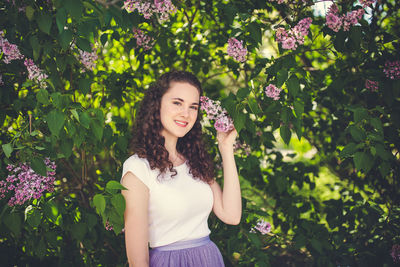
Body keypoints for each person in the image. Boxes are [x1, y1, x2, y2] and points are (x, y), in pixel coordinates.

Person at [120, 70, 241, 267]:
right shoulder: (137, 168)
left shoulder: (195, 161)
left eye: (193, 107)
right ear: (156, 104)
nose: (186, 113)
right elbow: (137, 260)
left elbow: (232, 215)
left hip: (208, 258)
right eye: (177, 103)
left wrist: (226, 148)